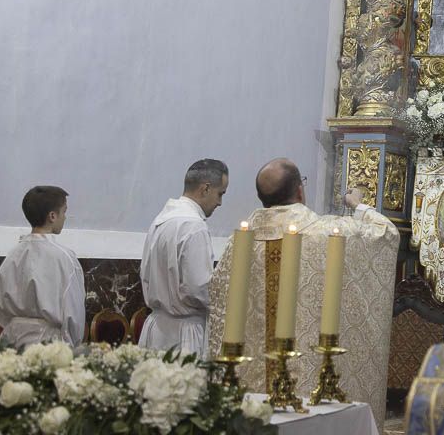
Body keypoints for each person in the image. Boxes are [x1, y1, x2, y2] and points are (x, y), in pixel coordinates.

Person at [206, 159, 399, 430]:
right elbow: (385, 232)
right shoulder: (327, 234)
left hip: (248, 385)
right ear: (300, 191)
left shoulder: (238, 243)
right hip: (307, 386)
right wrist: (358, 205)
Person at [138, 159, 228, 356]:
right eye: (220, 193)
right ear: (205, 188)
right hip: (184, 335)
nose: (220, 202)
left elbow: (145, 274)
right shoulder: (193, 226)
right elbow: (199, 288)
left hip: (156, 329)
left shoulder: (160, 221)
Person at [0, 186, 85, 349]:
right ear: (52, 216)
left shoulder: (14, 254)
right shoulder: (64, 258)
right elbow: (74, 314)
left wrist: (18, 325)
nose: (65, 218)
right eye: (64, 212)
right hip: (48, 344)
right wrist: (69, 346)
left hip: (12, 340)